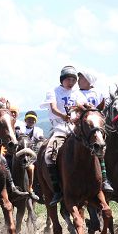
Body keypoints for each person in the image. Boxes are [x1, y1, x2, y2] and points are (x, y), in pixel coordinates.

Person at [43, 65, 87, 205]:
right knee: (49, 155)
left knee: (96, 147)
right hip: (60, 128)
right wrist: (63, 115)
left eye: (73, 80)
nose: (71, 82)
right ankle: (57, 190)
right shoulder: (53, 91)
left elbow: (82, 107)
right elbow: (53, 108)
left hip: (76, 128)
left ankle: (102, 181)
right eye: (68, 79)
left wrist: (78, 115)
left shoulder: (78, 93)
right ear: (62, 79)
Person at [76, 70, 118, 194]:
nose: (78, 81)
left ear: (89, 80)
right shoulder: (76, 93)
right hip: (83, 125)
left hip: (99, 124)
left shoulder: (99, 92)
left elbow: (106, 107)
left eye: (82, 78)